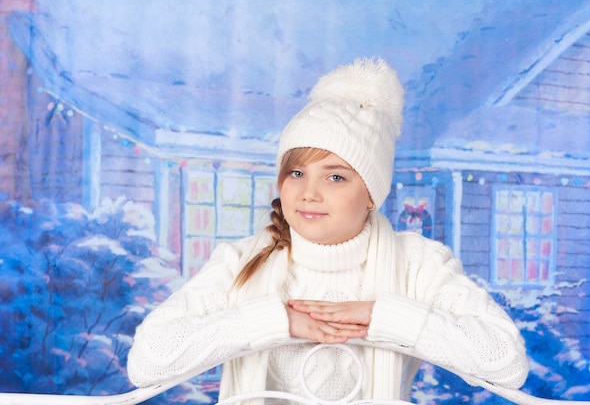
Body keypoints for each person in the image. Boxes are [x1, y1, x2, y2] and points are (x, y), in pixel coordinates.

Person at [127, 57, 529, 402]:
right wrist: (272, 322)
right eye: (296, 172)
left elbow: (506, 364)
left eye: (335, 177)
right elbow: (147, 363)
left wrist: (385, 318)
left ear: (371, 193)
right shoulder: (240, 262)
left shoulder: (417, 264)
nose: (308, 194)